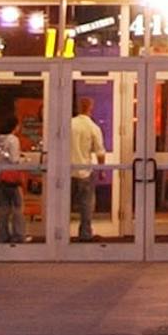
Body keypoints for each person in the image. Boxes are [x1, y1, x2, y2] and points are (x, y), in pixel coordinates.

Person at [68, 95, 107, 242]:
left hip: (67, 171)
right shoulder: (93, 127)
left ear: (79, 107)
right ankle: (85, 234)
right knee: (86, 204)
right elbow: (100, 152)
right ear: (91, 108)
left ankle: (61, 234)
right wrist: (102, 170)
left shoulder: (69, 124)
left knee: (65, 203)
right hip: (85, 171)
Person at [0, 115, 26, 245]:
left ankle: (2, 235)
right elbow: (14, 159)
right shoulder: (13, 140)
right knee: (18, 206)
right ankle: (18, 235)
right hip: (12, 177)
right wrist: (24, 159)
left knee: (4, 208)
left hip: (1, 176)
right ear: (14, 126)